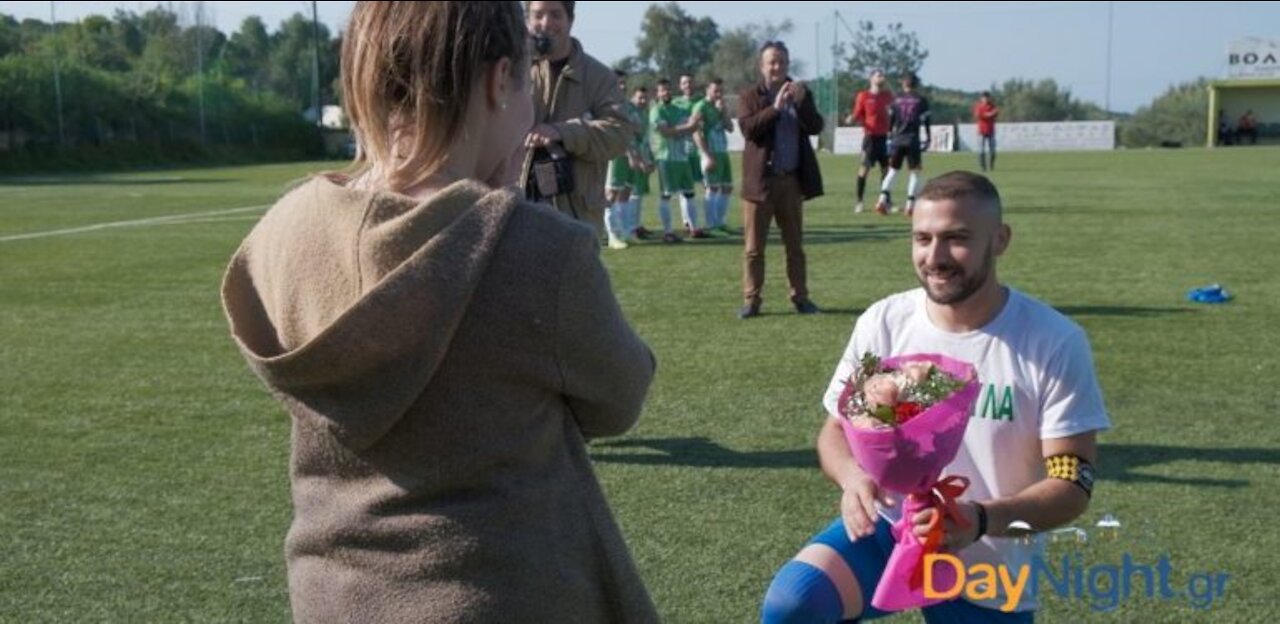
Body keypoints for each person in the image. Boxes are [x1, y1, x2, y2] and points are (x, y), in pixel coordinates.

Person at [220, 3, 659, 622]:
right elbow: (621, 398)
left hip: (332, 596)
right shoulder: (537, 250)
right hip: (508, 593)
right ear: (496, 80)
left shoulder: (283, 232)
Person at [761, 171, 1110, 623]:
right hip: (889, 528)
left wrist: (979, 519)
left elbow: (1072, 482)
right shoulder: (884, 321)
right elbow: (835, 431)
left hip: (989, 555)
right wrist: (852, 477)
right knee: (794, 605)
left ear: (1000, 239)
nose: (935, 256)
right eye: (922, 238)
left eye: (956, 238)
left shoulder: (1054, 342)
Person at [523, 0, 633, 236]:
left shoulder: (600, 78)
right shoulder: (511, 72)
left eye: (555, 15)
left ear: (570, 20)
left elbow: (620, 133)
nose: (546, 23)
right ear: (527, 21)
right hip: (517, 211)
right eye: (538, 15)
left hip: (576, 219)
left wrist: (562, 132)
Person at [737, 41, 824, 319]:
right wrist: (775, 108)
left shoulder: (799, 92)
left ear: (788, 64)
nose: (777, 67)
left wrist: (800, 101)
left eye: (782, 62)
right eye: (772, 62)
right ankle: (752, 300)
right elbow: (749, 129)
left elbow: (816, 126)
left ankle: (800, 298)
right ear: (762, 66)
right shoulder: (750, 96)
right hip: (759, 183)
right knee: (753, 249)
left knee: (795, 247)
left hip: (790, 182)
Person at [604, 70, 651, 249]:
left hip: (630, 155)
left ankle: (623, 232)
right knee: (610, 194)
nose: (621, 86)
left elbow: (634, 132)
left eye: (623, 83)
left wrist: (639, 156)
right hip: (614, 155)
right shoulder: (606, 103)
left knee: (625, 193)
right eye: (618, 83)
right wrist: (631, 154)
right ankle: (612, 235)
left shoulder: (628, 106)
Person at [874, 72, 931, 217]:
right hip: (912, 140)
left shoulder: (896, 99)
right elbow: (926, 121)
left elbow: (891, 120)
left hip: (897, 139)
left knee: (893, 170)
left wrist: (889, 136)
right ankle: (910, 205)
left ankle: (881, 200)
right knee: (915, 172)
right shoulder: (921, 100)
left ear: (903, 83)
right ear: (916, 84)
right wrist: (928, 137)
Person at [651, 78, 701, 243]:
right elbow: (666, 132)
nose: (666, 93)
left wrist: (680, 128)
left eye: (668, 89)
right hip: (666, 158)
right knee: (666, 195)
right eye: (662, 90)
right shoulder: (656, 111)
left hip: (682, 157)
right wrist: (685, 128)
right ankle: (668, 232)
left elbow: (694, 126)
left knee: (689, 193)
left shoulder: (678, 109)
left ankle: (693, 229)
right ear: (657, 93)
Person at [690, 78, 736, 235]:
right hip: (710, 153)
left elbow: (730, 128)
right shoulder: (701, 106)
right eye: (716, 90)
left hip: (722, 152)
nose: (719, 94)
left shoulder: (719, 106)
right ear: (707, 90)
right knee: (713, 188)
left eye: (721, 91)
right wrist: (706, 155)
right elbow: (696, 133)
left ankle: (720, 223)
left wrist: (723, 112)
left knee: (727, 188)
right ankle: (711, 226)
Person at [845, 69, 893, 214]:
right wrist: (851, 119)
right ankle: (859, 201)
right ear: (871, 79)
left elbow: (895, 111)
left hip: (885, 138)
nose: (882, 78)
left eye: (883, 75)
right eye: (879, 75)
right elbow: (857, 113)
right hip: (870, 138)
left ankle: (886, 201)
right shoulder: (864, 96)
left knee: (887, 171)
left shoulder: (888, 96)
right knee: (864, 170)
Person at [973, 91, 999, 171]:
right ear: (981, 98)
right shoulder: (979, 106)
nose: (986, 99)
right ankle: (983, 167)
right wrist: (988, 114)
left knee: (993, 150)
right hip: (981, 131)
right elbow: (978, 115)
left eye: (987, 97)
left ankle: (991, 165)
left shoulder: (992, 106)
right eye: (984, 97)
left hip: (991, 130)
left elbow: (996, 112)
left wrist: (987, 114)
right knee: (981, 150)